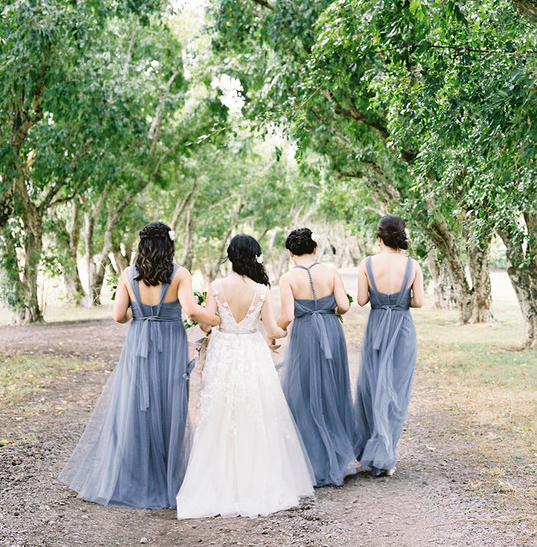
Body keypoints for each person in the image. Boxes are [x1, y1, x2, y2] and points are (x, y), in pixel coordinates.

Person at [58, 221, 219, 508]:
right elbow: (192, 310)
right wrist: (217, 320)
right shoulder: (180, 274)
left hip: (139, 344)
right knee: (169, 405)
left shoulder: (128, 274)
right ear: (169, 245)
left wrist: (142, 312)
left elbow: (118, 315)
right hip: (170, 344)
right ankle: (166, 477)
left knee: (137, 405)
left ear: (142, 245)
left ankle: (135, 476)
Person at [176, 234, 314, 519]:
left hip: (224, 351)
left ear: (230, 256)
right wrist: (281, 334)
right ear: (254, 256)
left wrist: (201, 323)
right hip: (252, 352)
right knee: (256, 410)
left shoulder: (216, 286)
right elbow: (272, 329)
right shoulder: (262, 289)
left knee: (222, 412)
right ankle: (256, 480)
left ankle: (220, 482)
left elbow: (208, 324)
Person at [277, 228, 357, 487]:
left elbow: (287, 316)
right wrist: (329, 309)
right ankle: (337, 455)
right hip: (331, 332)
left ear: (290, 254)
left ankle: (311, 460)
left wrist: (273, 329)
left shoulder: (288, 278)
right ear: (315, 249)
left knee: (304, 393)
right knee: (332, 391)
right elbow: (344, 306)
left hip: (304, 336)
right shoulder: (331, 272)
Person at [354, 214, 424, 477]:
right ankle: (387, 456)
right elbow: (418, 302)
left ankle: (372, 453)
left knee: (371, 389)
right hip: (402, 328)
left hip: (377, 327)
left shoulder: (367, 263)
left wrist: (379, 297)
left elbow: (361, 300)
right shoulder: (413, 265)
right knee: (396, 391)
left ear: (379, 236)